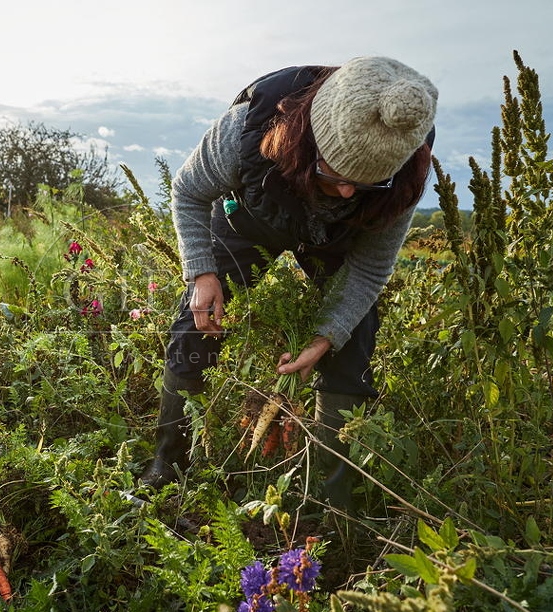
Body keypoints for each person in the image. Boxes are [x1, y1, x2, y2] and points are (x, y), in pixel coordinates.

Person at [139, 57, 438, 513]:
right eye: (335, 177)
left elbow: (369, 270)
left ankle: (329, 500)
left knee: (352, 339)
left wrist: (326, 337)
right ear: (309, 142)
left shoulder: (405, 175)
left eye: (366, 184)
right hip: (252, 216)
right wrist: (201, 272)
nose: (346, 194)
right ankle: (167, 467)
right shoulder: (246, 131)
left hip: (338, 240)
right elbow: (188, 190)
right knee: (195, 324)